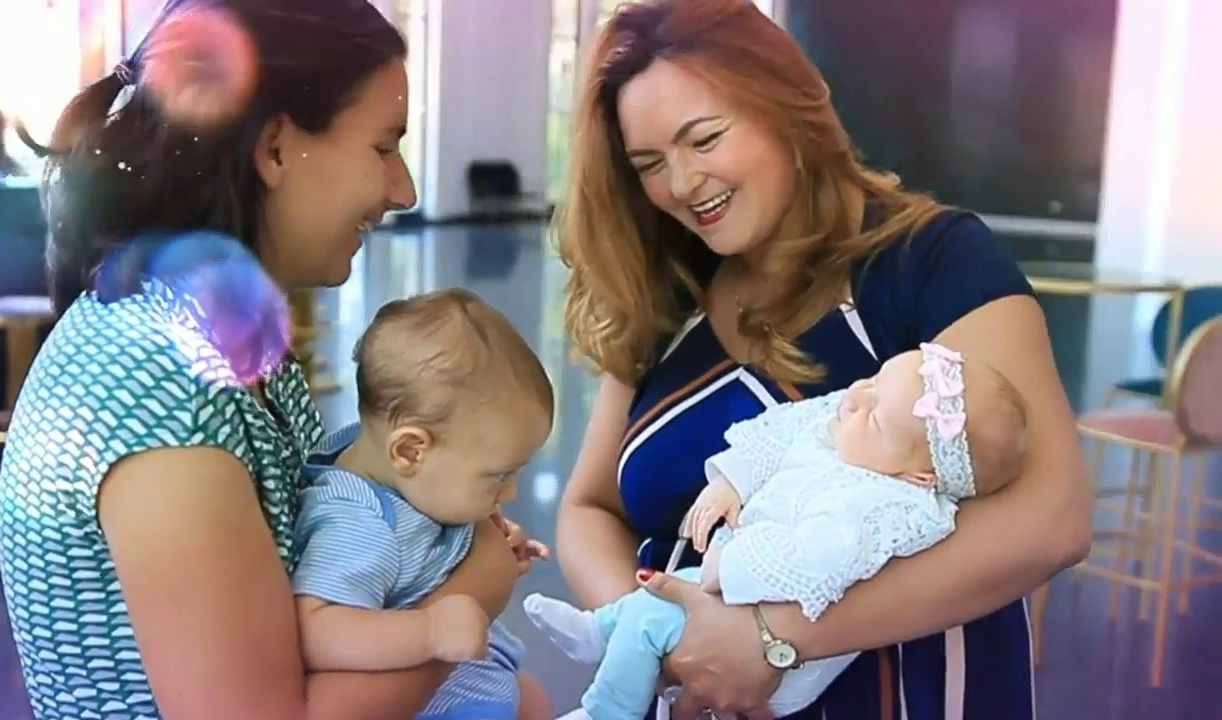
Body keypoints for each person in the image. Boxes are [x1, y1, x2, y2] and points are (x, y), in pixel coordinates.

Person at [0, 2, 542, 719]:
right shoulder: (165, 396)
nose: (403, 189)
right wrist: (476, 587)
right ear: (276, 147)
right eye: (382, 147)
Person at [552, 1, 1090, 719]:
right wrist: (663, 642)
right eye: (649, 164)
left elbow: (1051, 516)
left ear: (787, 105)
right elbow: (590, 508)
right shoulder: (669, 294)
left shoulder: (929, 260)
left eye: (704, 139)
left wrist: (770, 639)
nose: (680, 183)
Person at [526, 343, 1027, 719]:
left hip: (780, 645)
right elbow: (787, 428)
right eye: (873, 381)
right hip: (735, 599)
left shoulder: (883, 508)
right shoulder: (854, 436)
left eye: (874, 416)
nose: (855, 396)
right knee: (651, 608)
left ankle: (605, 711)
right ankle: (601, 629)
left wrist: (729, 565)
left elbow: (815, 562)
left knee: (656, 617)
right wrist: (732, 482)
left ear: (920, 477)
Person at [293, 288, 553, 720]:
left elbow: (423, 547)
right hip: (437, 704)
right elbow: (315, 627)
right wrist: (429, 630)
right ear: (411, 450)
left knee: (537, 702)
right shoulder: (357, 525)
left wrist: (479, 543)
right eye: (498, 475)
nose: (509, 493)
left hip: (474, 680)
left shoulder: (392, 471)